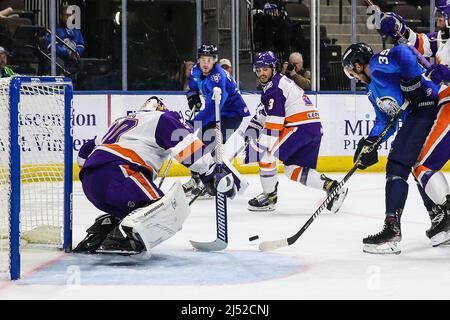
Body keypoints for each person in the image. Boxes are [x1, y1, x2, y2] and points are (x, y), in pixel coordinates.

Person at [74, 97, 241, 255]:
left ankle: (100, 233)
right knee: (166, 212)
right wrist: (209, 172)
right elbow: (187, 147)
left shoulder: (120, 122)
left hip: (90, 181)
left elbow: (83, 152)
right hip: (120, 174)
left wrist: (94, 171)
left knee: (138, 211)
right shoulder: (162, 118)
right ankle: (122, 239)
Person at [342, 42, 446, 254]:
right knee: (414, 164)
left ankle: (392, 229)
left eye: (351, 71)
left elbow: (403, 51)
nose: (353, 76)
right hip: (417, 115)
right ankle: (440, 217)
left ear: (358, 65)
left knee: (398, 164)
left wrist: (412, 81)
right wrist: (371, 142)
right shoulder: (372, 91)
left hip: (428, 107)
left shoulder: (377, 63)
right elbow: (384, 121)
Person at [379, 2, 450, 245]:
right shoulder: (444, 39)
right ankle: (443, 220)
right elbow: (420, 43)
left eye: (444, 14)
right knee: (424, 164)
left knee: (422, 164)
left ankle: (447, 215)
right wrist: (399, 27)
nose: (440, 18)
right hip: (444, 107)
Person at [244, 51, 348, 213]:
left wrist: (258, 146)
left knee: (265, 155)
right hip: (313, 127)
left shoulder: (274, 87)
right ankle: (332, 187)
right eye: (258, 70)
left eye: (265, 69)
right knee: (292, 169)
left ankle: (269, 196)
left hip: (299, 126)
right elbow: (264, 113)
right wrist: (252, 130)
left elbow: (275, 122)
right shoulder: (277, 84)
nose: (262, 73)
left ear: (273, 68)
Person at [183, 44, 250, 199]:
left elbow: (214, 107)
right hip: (216, 113)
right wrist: (192, 97)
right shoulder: (196, 70)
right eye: (202, 59)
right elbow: (192, 86)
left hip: (230, 115)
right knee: (197, 145)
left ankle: (235, 183)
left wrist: (193, 123)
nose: (205, 63)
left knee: (208, 146)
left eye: (209, 59)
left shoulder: (218, 77)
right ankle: (196, 180)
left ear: (214, 61)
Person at [44, 4, 85, 72]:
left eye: (71, 15)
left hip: (73, 59)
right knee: (58, 64)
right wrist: (67, 53)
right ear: (61, 16)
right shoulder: (54, 30)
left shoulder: (77, 31)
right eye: (67, 15)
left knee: (84, 65)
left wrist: (76, 53)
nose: (69, 18)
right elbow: (52, 45)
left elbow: (81, 45)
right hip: (58, 58)